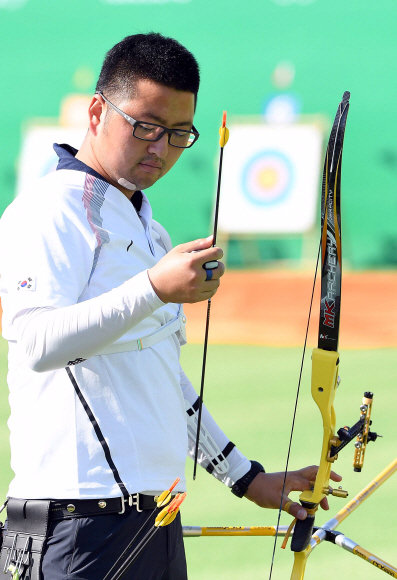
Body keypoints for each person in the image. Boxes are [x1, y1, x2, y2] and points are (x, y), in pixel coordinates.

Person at [0, 33, 341, 580]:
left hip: (152, 522)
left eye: (179, 133)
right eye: (144, 126)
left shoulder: (149, 230)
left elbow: (162, 377)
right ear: (96, 111)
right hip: (77, 527)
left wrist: (245, 477)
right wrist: (154, 289)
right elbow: (37, 342)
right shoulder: (49, 211)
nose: (160, 148)